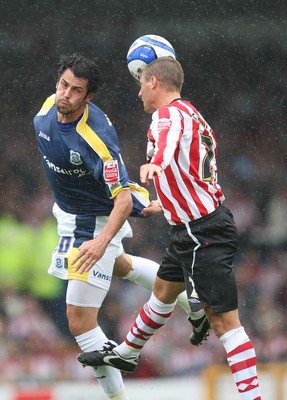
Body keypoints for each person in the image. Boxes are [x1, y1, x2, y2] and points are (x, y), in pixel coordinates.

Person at [77, 57, 262, 400]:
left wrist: (155, 163)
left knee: (225, 323)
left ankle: (253, 397)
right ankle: (128, 352)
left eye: (141, 84)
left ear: (154, 83)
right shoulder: (194, 113)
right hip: (192, 225)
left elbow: (170, 142)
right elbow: (199, 170)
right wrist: (168, 202)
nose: (138, 93)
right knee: (163, 289)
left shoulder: (169, 115)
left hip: (201, 232)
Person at [33, 54, 206, 400]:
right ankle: (193, 303)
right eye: (63, 84)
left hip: (92, 221)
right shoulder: (49, 106)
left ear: (88, 97)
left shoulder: (96, 139)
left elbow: (122, 200)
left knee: (79, 321)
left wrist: (99, 241)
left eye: (76, 90)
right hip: (69, 210)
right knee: (121, 264)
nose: (65, 94)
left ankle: (118, 395)